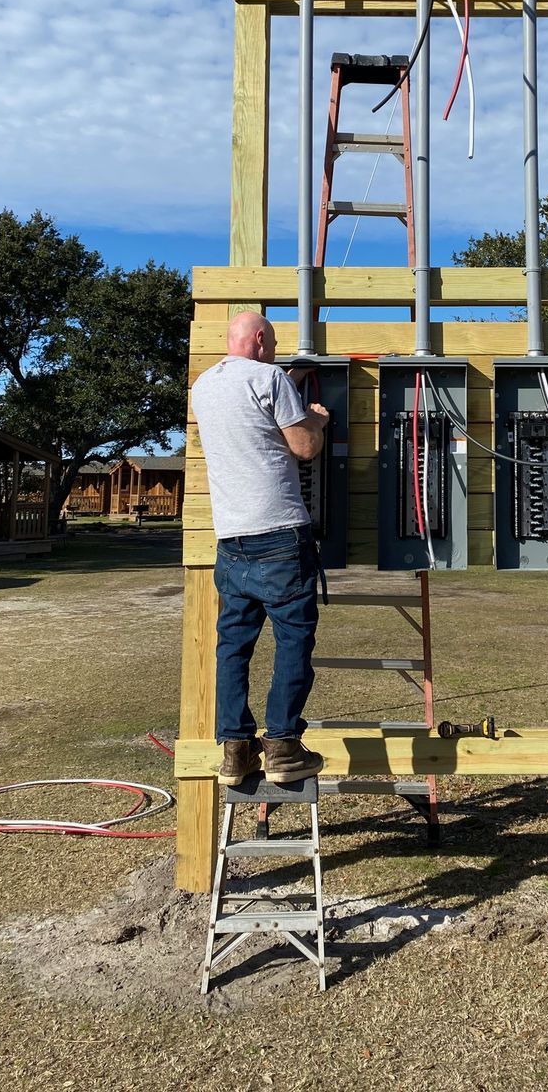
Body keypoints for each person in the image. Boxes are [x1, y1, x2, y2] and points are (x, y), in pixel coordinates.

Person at [190, 311, 330, 786]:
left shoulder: (205, 385)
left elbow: (249, 419)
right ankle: (284, 748)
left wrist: (286, 388)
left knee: (234, 645)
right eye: (270, 342)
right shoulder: (271, 378)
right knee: (292, 639)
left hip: (231, 540)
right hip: (280, 537)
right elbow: (305, 447)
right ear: (259, 339)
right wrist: (315, 419)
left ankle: (235, 750)